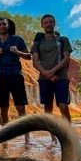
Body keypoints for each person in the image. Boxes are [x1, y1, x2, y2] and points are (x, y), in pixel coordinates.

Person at [0, 17, 32, 144]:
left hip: (16, 75)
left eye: (4, 24)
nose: (1, 26)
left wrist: (17, 52)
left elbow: (29, 56)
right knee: (3, 108)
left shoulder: (17, 40)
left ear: (8, 26)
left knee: (21, 107)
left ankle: (27, 138)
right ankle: (5, 138)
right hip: (0, 76)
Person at [31, 14, 72, 144]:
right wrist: (47, 74)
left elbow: (66, 59)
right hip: (44, 79)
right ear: (42, 25)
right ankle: (53, 137)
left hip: (61, 77)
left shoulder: (63, 40)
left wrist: (52, 72)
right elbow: (35, 62)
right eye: (46, 23)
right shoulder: (38, 42)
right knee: (48, 108)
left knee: (63, 106)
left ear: (54, 24)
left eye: (50, 22)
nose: (48, 24)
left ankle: (69, 135)